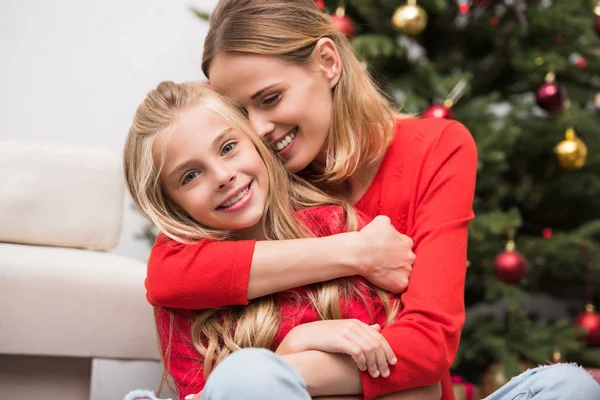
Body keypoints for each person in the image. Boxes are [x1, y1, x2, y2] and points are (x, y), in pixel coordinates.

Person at [144, 1, 600, 399]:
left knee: (569, 387)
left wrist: (285, 365)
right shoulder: (253, 175)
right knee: (250, 379)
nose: (259, 129)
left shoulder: (437, 147)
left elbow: (426, 348)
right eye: (240, 113)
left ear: (327, 61)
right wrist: (352, 252)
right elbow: (169, 276)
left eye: (270, 98)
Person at [123, 81, 439, 400]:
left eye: (228, 147)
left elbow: (423, 386)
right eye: (190, 176)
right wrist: (296, 346)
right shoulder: (186, 301)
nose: (222, 176)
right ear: (170, 205)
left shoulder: (340, 227)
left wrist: (278, 373)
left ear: (257, 141)